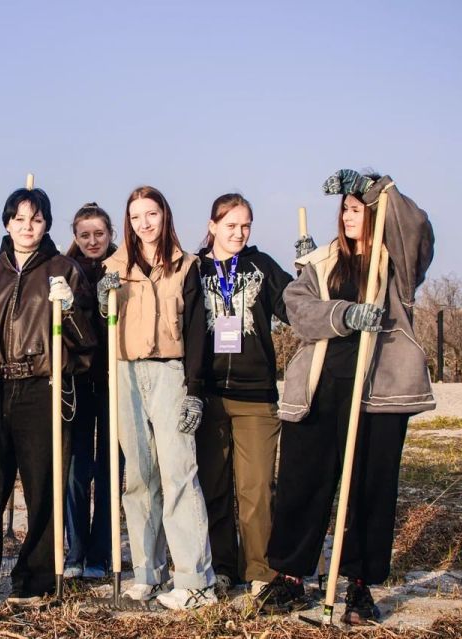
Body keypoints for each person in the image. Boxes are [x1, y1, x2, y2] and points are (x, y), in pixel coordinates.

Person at [257, 170, 435, 624]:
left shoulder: (396, 263)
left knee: (370, 490)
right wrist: (346, 313)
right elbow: (299, 309)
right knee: (303, 482)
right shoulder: (323, 262)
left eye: (359, 207)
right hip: (323, 385)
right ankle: (292, 576)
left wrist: (378, 186)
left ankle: (357, 585)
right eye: (346, 207)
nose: (349, 213)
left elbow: (415, 225)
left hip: (379, 391)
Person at [0, 186, 97, 603]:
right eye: (19, 219)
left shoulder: (63, 270)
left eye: (35, 219)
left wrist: (68, 309)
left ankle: (36, 578)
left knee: (43, 486)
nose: (27, 227)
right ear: (7, 223)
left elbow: (86, 345)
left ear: (47, 224)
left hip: (42, 388)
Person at [98, 185, 216, 610]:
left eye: (151, 214)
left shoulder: (186, 267)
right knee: (139, 478)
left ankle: (195, 580)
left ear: (164, 216)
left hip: (170, 373)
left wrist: (195, 391)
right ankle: (148, 572)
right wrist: (102, 299)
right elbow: (105, 324)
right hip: (126, 372)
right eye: (135, 217)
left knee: (178, 473)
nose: (144, 224)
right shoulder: (114, 267)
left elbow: (198, 332)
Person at [194, 193, 293, 597]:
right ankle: (222, 566)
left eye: (245, 225)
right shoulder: (193, 269)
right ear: (213, 225)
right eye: (230, 225)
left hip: (256, 396)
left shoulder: (262, 265)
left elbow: (294, 308)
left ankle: (259, 569)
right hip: (208, 394)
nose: (238, 233)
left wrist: (311, 275)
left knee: (255, 490)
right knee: (213, 487)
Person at [62, 203, 120, 580]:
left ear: (110, 234)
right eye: (85, 234)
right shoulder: (66, 271)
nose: (92, 241)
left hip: (115, 380)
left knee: (111, 468)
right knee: (76, 469)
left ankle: (101, 553)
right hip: (79, 382)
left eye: (99, 234)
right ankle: (75, 551)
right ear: (75, 236)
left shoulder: (123, 267)